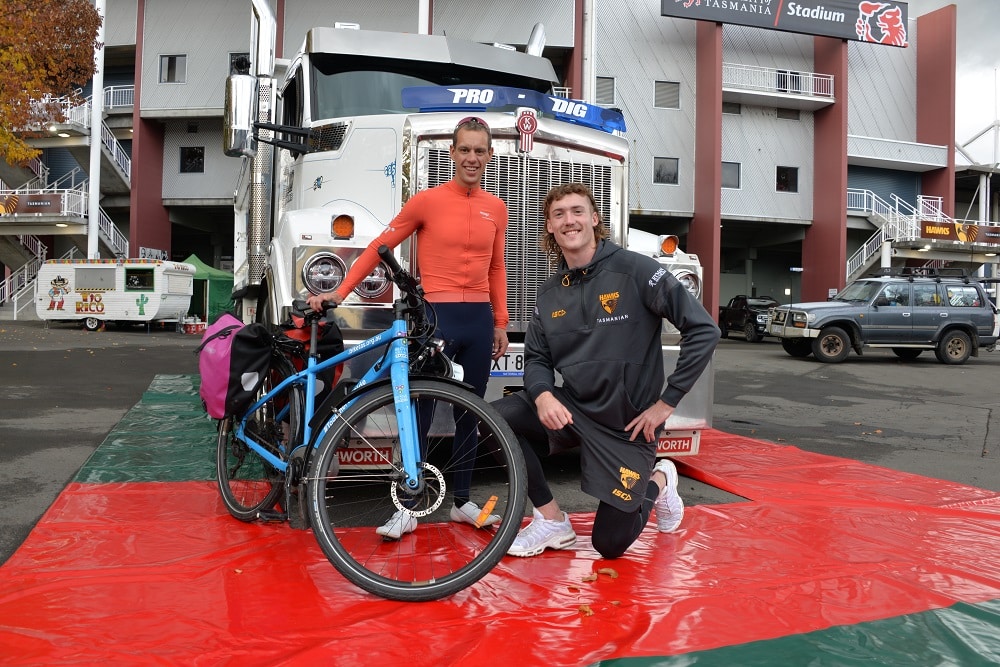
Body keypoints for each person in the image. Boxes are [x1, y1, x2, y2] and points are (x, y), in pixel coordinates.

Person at [307, 116, 510, 538]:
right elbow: (379, 247)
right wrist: (339, 292)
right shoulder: (427, 202)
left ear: (489, 155)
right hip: (435, 317)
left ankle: (463, 502)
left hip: (477, 319)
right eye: (465, 149)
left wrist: (501, 322)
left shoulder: (497, 208)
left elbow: (497, 266)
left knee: (469, 413)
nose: (472, 157)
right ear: (452, 153)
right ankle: (408, 507)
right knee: (419, 409)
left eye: (480, 150)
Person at [492, 183, 720, 559]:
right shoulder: (550, 292)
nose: (570, 220)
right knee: (496, 417)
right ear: (550, 227)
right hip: (576, 411)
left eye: (578, 211)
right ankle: (552, 521)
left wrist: (667, 403)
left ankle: (661, 479)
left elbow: (703, 330)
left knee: (609, 545)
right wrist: (544, 394)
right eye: (559, 214)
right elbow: (536, 359)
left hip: (629, 425)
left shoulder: (635, 270)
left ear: (595, 219)